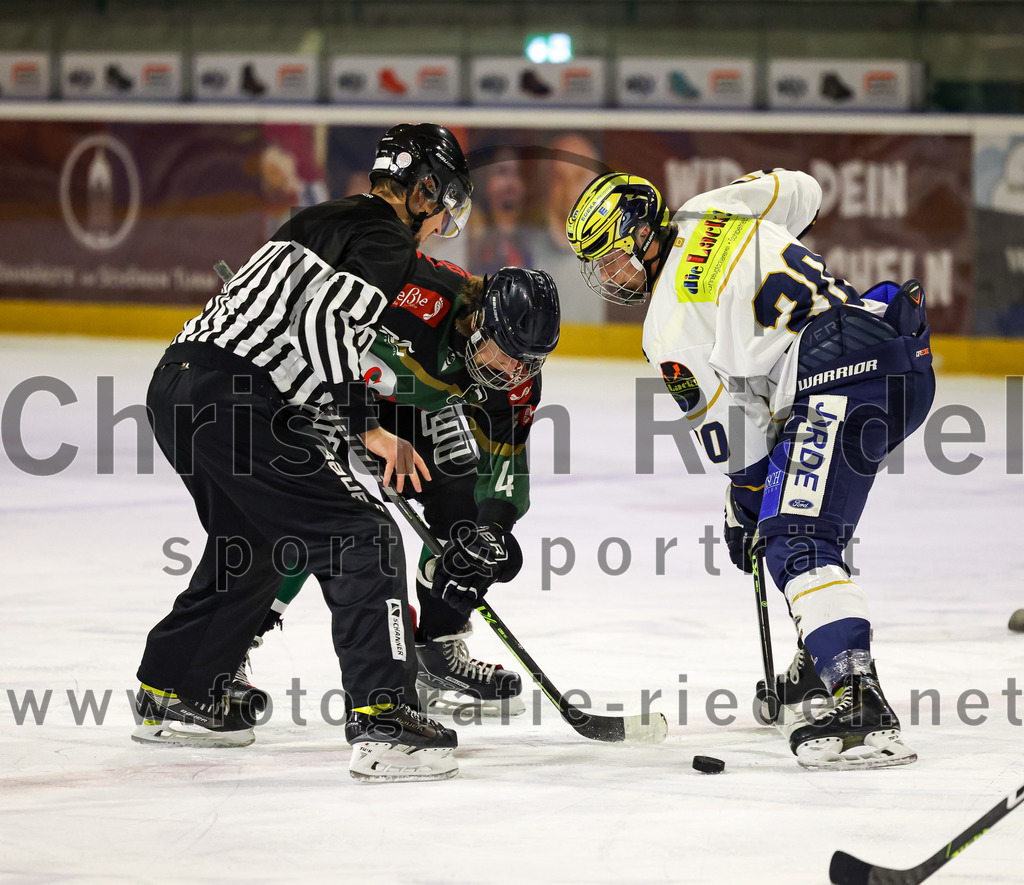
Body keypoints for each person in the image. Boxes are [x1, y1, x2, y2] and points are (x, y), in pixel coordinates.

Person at [134, 122, 474, 783]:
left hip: (179, 385)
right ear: (425, 187)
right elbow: (325, 325)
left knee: (256, 541)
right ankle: (384, 721)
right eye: (445, 200)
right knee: (363, 537)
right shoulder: (383, 236)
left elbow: (294, 331)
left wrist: (324, 418)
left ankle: (178, 689)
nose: (442, 222)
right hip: (236, 398)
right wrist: (366, 427)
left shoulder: (322, 218)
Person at [565, 168, 934, 769]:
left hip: (837, 377)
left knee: (795, 537)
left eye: (611, 260)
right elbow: (805, 192)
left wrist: (747, 509)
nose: (609, 278)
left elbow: (738, 443)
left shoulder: (667, 324)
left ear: (641, 237)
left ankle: (860, 704)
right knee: (814, 519)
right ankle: (819, 664)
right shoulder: (710, 207)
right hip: (895, 351)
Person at [233, 257, 560, 719]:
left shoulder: (515, 378)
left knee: (463, 507)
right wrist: (361, 423)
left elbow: (504, 472)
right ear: (477, 322)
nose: (513, 371)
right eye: (505, 352)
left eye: (528, 360)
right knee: (318, 509)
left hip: (409, 399)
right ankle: (232, 643)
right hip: (324, 383)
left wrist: (492, 533)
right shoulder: (417, 289)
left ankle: (437, 649)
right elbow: (323, 306)